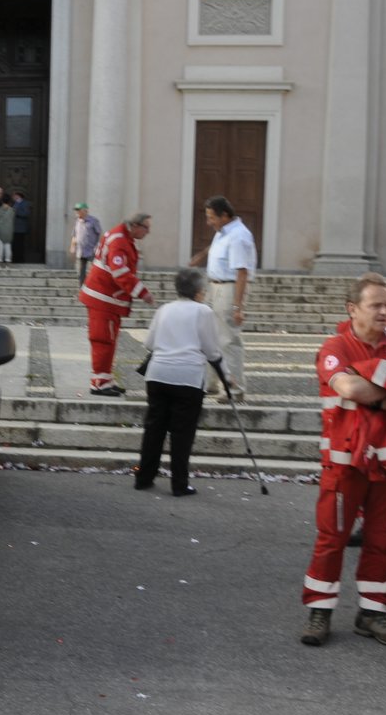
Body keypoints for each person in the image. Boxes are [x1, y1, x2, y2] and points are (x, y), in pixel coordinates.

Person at [299, 274, 386, 649]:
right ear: (352, 309)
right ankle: (320, 610)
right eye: (377, 305)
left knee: (381, 540)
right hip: (344, 464)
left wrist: (384, 388)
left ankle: (372, 615)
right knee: (331, 539)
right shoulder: (335, 346)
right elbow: (348, 388)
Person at [135, 268, 223, 497]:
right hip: (188, 378)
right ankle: (179, 484)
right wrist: (226, 375)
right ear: (199, 291)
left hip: (158, 375)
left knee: (154, 429)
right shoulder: (203, 311)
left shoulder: (164, 309)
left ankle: (144, 477)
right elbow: (212, 350)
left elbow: (149, 343)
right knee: (182, 434)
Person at [79, 212, 156, 396]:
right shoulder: (119, 240)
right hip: (103, 298)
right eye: (146, 228)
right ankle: (98, 382)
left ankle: (105, 378)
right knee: (103, 340)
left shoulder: (122, 236)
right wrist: (142, 292)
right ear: (136, 226)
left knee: (109, 340)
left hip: (107, 298)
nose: (148, 232)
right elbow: (120, 272)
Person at [189, 195, 257, 401]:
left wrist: (238, 307)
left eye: (212, 218)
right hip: (214, 287)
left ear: (225, 215)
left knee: (228, 340)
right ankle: (212, 382)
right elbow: (216, 247)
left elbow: (242, 272)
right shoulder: (223, 232)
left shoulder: (239, 236)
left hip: (229, 289)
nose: (209, 222)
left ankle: (234, 389)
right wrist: (201, 255)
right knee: (210, 337)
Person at [69, 203, 101, 283]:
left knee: (93, 272)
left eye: (78, 210)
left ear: (85, 211)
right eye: (76, 210)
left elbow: (99, 234)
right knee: (80, 273)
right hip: (80, 251)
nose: (76, 212)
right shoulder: (77, 222)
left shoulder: (93, 221)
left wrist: (99, 247)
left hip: (92, 251)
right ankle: (81, 291)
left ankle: (92, 290)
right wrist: (72, 247)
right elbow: (74, 235)